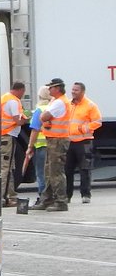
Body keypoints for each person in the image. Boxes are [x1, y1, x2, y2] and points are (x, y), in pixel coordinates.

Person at [37, 78, 72, 212]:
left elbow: (44, 116)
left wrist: (43, 118)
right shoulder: (55, 101)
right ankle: (47, 199)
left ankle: (61, 201)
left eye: (50, 87)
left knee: (56, 172)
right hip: (53, 140)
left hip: (58, 140)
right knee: (49, 171)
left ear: (57, 88)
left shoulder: (59, 102)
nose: (49, 90)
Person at [65, 81, 102, 204]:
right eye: (73, 89)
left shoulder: (90, 105)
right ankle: (67, 195)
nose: (73, 92)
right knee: (67, 170)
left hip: (84, 141)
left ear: (82, 92)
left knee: (84, 169)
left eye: (76, 90)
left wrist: (83, 128)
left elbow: (97, 122)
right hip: (69, 141)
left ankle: (85, 195)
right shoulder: (69, 104)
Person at [0, 81, 27, 209]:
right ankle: (3, 198)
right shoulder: (14, 101)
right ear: (20, 90)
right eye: (23, 92)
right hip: (8, 135)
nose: (22, 95)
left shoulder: (3, 98)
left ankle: (11, 195)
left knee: (8, 166)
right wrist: (26, 120)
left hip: (2, 135)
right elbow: (17, 120)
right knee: (6, 167)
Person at [22, 85, 52, 205]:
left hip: (41, 146)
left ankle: (43, 196)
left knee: (41, 173)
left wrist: (30, 146)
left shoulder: (39, 110)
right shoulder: (53, 108)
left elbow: (35, 130)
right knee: (52, 172)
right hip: (53, 144)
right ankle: (53, 196)